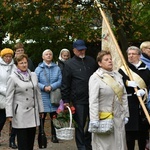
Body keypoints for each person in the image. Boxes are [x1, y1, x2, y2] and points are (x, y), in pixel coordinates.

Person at [88, 50, 129, 149]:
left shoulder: (118, 76)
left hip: (118, 118)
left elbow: (123, 96)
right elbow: (93, 100)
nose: (110, 61)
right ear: (99, 63)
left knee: (120, 145)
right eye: (106, 60)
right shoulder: (95, 78)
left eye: (110, 59)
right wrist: (94, 119)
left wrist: (126, 114)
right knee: (106, 146)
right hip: (104, 119)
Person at [61, 39, 97, 150]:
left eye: (83, 49)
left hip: (93, 98)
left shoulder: (91, 61)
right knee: (80, 125)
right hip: (78, 99)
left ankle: (88, 142)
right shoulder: (69, 64)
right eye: (79, 50)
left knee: (93, 123)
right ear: (74, 50)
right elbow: (65, 83)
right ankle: (81, 146)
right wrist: (66, 100)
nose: (81, 52)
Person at [5, 54, 44, 150]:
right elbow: (9, 97)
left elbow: (38, 94)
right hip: (20, 113)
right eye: (21, 63)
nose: (24, 65)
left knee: (31, 141)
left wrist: (41, 110)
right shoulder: (13, 77)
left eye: (25, 62)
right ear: (17, 65)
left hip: (33, 113)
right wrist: (9, 114)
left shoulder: (33, 75)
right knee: (23, 142)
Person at [119, 46, 150, 150]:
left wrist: (144, 91)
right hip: (129, 104)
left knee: (142, 135)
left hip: (141, 106)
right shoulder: (123, 69)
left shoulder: (145, 69)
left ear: (139, 56)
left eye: (133, 54)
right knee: (129, 137)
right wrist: (126, 82)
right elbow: (118, 83)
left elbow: (149, 85)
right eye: (129, 54)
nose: (131, 56)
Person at [35, 49, 62, 143]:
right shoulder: (38, 69)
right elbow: (35, 82)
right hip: (43, 96)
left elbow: (60, 80)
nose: (48, 55)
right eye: (46, 54)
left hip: (54, 95)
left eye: (50, 54)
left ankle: (54, 135)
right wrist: (43, 87)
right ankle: (41, 135)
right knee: (42, 117)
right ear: (43, 57)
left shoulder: (57, 68)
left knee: (54, 117)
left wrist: (52, 86)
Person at [0, 48, 16, 147]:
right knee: (1, 120)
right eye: (6, 56)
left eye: (10, 56)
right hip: (1, 96)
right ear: (2, 57)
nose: (8, 58)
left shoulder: (14, 66)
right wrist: (6, 92)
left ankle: (12, 140)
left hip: (13, 97)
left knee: (14, 121)